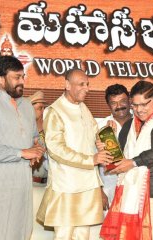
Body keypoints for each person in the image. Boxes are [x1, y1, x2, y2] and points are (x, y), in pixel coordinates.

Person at [0, 56, 45, 240]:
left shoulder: (27, 105)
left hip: (21, 182)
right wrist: (21, 153)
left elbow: (35, 138)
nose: (21, 82)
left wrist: (37, 149)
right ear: (0, 79)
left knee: (20, 231)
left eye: (22, 76)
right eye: (16, 77)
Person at [36, 69, 113, 240]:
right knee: (64, 234)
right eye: (81, 84)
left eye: (87, 84)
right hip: (66, 185)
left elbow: (92, 136)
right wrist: (90, 159)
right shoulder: (54, 111)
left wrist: (104, 134)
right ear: (67, 85)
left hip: (88, 183)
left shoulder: (83, 107)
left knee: (82, 235)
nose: (86, 88)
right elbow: (56, 149)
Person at [100, 80, 153, 240]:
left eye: (144, 104)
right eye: (135, 105)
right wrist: (106, 148)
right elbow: (119, 160)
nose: (139, 110)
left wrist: (132, 163)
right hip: (130, 194)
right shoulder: (128, 126)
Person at [90, 84, 132, 239]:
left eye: (122, 101)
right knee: (111, 233)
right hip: (109, 188)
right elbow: (91, 162)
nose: (119, 106)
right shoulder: (100, 127)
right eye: (114, 103)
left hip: (134, 187)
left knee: (132, 232)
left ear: (129, 100)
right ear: (108, 105)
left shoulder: (141, 123)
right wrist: (99, 190)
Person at [28, 91, 54, 240]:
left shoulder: (50, 129)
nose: (43, 111)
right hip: (30, 186)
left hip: (48, 186)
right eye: (39, 107)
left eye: (44, 107)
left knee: (46, 231)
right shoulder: (23, 130)